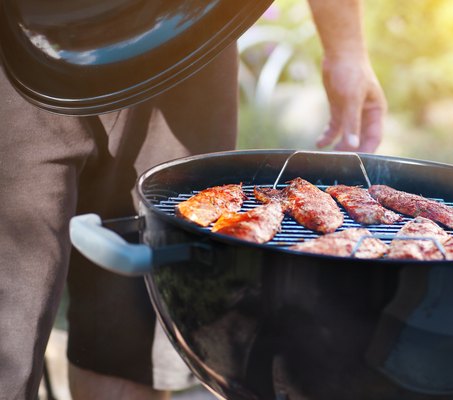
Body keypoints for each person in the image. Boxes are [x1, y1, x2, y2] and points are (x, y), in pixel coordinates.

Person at [0, 0, 387, 398]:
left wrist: (346, 50)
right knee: (8, 341)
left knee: (136, 342)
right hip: (18, 46)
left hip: (189, 37)